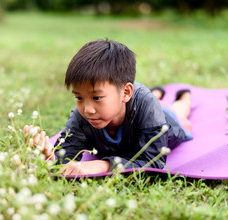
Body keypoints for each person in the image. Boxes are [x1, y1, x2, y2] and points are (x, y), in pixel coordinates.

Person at [24, 39, 193, 176]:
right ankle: (156, 93)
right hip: (135, 105)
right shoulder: (81, 116)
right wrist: (49, 155)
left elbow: (153, 162)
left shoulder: (149, 112)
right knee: (149, 102)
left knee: (179, 116)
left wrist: (104, 165)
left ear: (126, 92)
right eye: (79, 97)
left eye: (97, 97)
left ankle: (184, 96)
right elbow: (64, 160)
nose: (88, 109)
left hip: (160, 119)